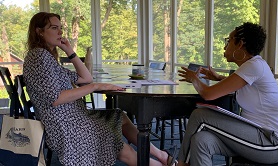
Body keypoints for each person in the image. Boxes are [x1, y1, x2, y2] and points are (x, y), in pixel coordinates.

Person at [23, 12, 177, 166]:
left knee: (119, 116)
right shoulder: (39, 57)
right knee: (117, 144)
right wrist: (95, 86)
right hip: (66, 126)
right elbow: (56, 98)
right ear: (39, 31)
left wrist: (69, 51)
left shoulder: (47, 57)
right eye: (54, 28)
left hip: (74, 118)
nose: (60, 32)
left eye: (60, 28)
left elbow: (86, 78)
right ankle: (165, 164)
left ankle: (162, 156)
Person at [177, 22, 278, 165]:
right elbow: (242, 86)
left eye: (229, 41)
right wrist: (218, 78)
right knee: (201, 140)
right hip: (254, 136)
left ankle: (181, 164)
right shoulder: (251, 67)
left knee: (199, 115)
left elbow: (208, 94)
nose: (225, 46)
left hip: (271, 144)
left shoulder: (254, 65)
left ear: (240, 44)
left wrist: (194, 78)